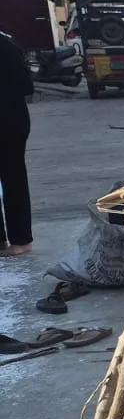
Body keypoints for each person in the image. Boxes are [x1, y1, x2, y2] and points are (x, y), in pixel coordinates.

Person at [0, 31, 34, 257]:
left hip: (9, 123)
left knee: (13, 179)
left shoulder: (6, 47)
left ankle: (21, 240)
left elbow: (26, 86)